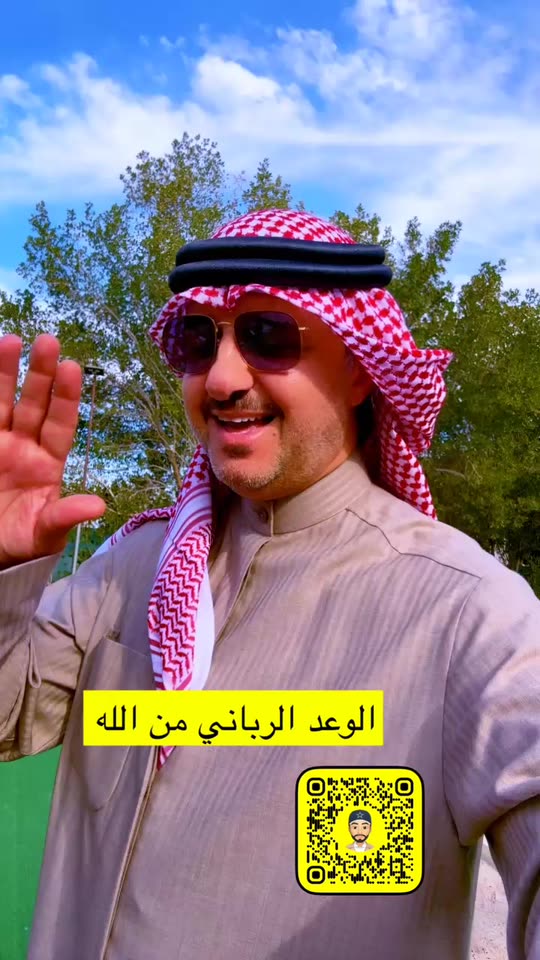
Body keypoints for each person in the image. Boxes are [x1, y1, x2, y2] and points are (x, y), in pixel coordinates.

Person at [0, 208, 538, 960]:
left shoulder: (467, 611)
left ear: (360, 369)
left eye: (269, 335)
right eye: (200, 340)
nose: (222, 379)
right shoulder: (134, 566)